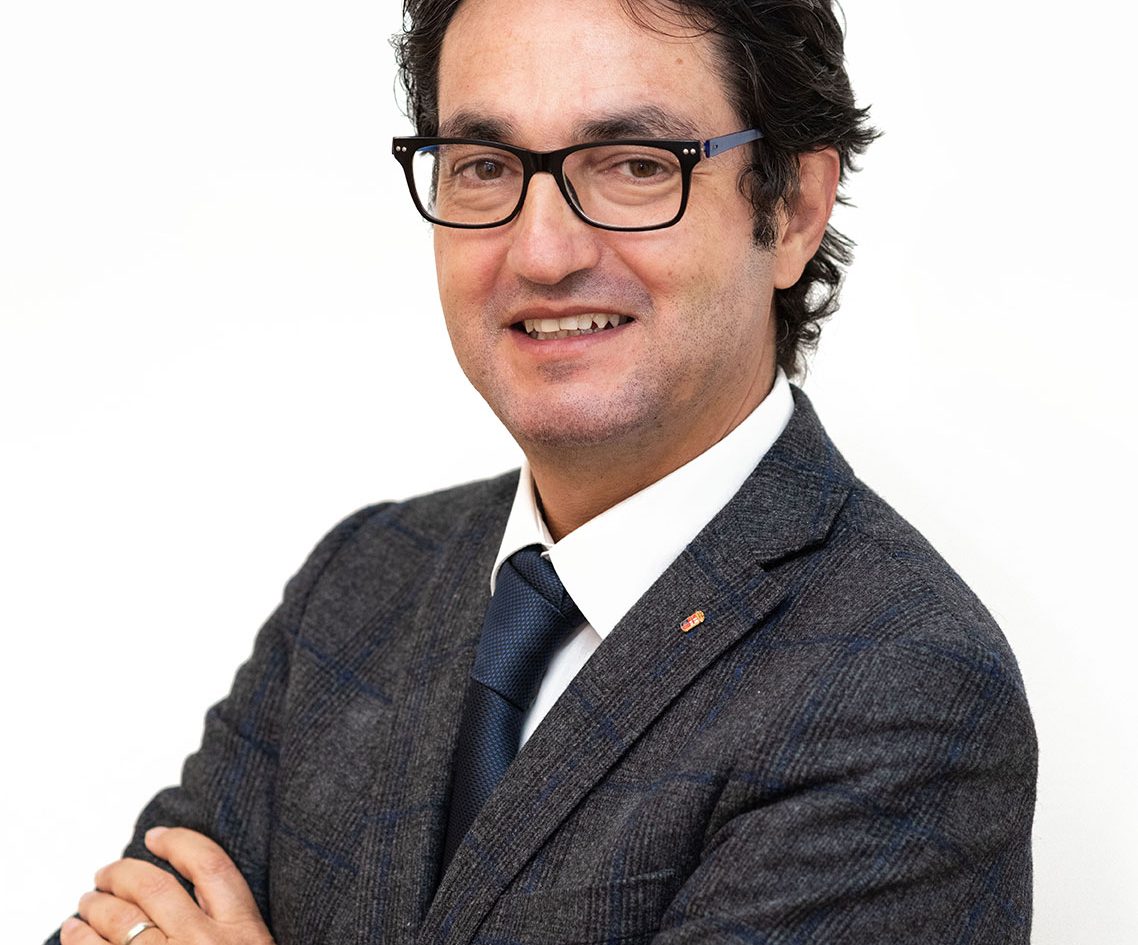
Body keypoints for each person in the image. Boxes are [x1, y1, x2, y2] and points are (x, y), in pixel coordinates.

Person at [50, 0, 1038, 943]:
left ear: (792, 211)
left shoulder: (903, 685)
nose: (542, 251)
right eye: (485, 167)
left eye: (635, 165)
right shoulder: (362, 580)